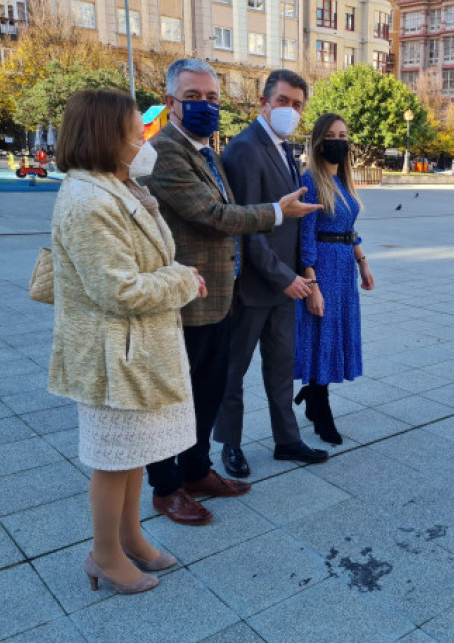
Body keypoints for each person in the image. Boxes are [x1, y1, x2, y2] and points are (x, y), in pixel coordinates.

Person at [141, 59, 320, 525]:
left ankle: (197, 470)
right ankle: (166, 488)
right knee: (178, 399)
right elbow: (216, 215)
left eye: (213, 98)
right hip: (188, 299)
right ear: (170, 103)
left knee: (206, 391)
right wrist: (277, 213)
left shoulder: (206, 152)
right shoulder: (165, 152)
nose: (206, 106)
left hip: (218, 294)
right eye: (193, 98)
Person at [49, 89, 206, 594]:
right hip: (111, 353)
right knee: (113, 459)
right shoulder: (90, 199)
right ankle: (104, 554)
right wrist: (183, 280)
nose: (145, 139)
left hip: (134, 347)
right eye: (137, 132)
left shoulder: (119, 187)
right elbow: (117, 289)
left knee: (135, 451)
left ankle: (132, 538)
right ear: (105, 135)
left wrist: (175, 275)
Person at [215, 69, 328, 479]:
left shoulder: (282, 148)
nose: (290, 110)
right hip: (253, 287)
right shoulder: (246, 149)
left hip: (284, 288)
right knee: (234, 370)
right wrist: (285, 276)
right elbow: (247, 226)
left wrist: (299, 276)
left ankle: (287, 440)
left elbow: (289, 222)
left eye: (297, 105)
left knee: (281, 368)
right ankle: (230, 445)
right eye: (283, 101)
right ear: (263, 103)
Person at [293, 113, 374, 444]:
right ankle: (319, 406)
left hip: (344, 267)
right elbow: (306, 235)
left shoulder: (344, 180)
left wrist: (363, 262)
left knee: (332, 333)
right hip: (322, 267)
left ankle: (314, 398)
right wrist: (311, 284)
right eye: (331, 135)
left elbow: (349, 229)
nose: (339, 140)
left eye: (343, 134)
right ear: (318, 141)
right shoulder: (311, 181)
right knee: (320, 334)